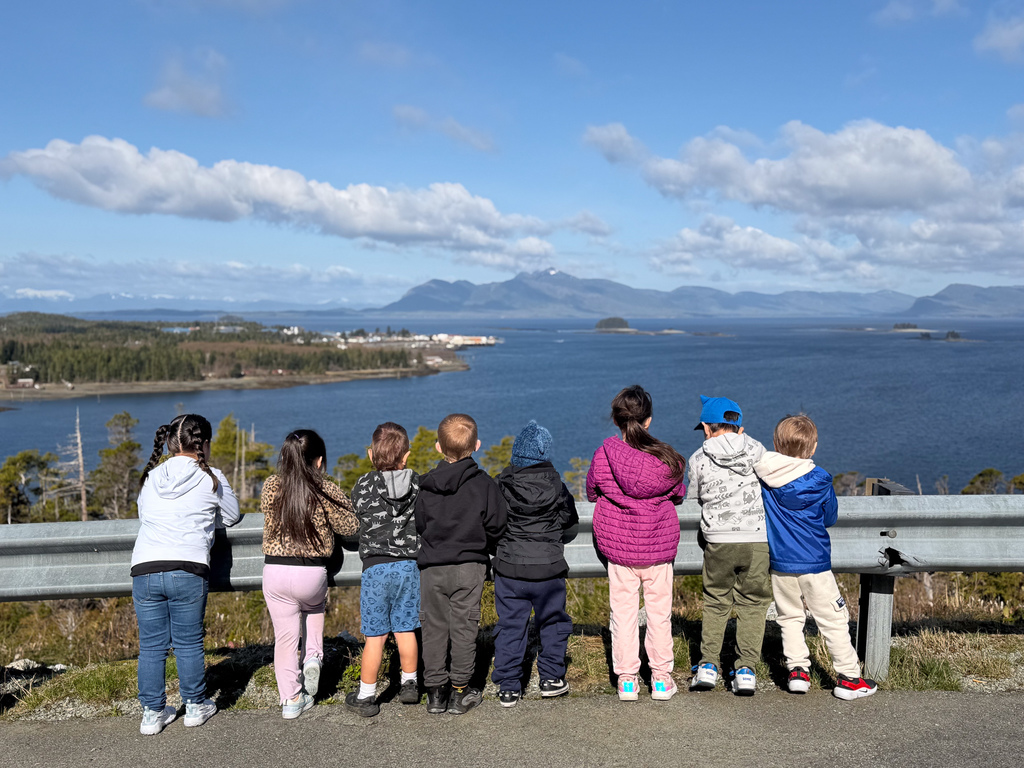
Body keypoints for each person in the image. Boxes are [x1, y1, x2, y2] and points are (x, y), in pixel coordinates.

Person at [754, 414, 878, 700]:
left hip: (781, 563)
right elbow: (830, 517)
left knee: (789, 618)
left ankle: (797, 671)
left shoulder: (764, 476)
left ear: (776, 443)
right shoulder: (820, 480)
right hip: (815, 562)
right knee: (832, 619)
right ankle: (848, 677)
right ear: (813, 448)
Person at [132, 413, 241, 736]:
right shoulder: (211, 477)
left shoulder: (152, 476)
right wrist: (206, 520)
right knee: (188, 642)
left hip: (145, 568)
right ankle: (195, 705)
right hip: (188, 567)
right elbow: (232, 517)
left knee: (151, 646)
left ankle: (152, 713)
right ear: (204, 444)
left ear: (169, 442)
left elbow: (143, 514)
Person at [586, 385, 686, 702]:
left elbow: (591, 491)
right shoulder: (667, 458)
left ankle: (627, 680)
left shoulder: (604, 453)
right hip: (658, 545)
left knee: (623, 614)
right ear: (649, 420)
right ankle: (660, 679)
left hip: (619, 548)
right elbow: (679, 493)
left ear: (616, 420)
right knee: (659, 615)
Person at [261, 429, 358, 719]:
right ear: (318, 461)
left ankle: (291, 700)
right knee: (314, 606)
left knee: (286, 638)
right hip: (310, 571)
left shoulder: (270, 486)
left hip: (275, 570)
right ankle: (314, 656)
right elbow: (351, 527)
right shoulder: (324, 488)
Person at [415, 413, 507, 715]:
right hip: (470, 566)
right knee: (465, 628)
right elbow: (497, 525)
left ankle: (435, 693)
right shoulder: (485, 485)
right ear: (477, 445)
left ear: (439, 448)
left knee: (434, 628)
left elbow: (419, 524)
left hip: (432, 568)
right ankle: (460, 690)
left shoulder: (425, 486)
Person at [491, 420, 579, 707]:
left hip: (509, 568)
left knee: (511, 625)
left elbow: (491, 522)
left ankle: (508, 685)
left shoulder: (500, 485)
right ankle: (551, 677)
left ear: (516, 454)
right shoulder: (557, 486)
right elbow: (569, 520)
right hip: (549, 567)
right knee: (552, 622)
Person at [687, 395, 770, 696]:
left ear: (708, 428)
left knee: (717, 599)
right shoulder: (758, 450)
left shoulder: (698, 459)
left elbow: (694, 499)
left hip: (719, 540)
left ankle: (708, 665)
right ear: (739, 426)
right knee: (753, 603)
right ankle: (746, 668)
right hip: (757, 539)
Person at [345, 422, 422, 717]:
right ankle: (410, 683)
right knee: (406, 629)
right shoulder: (417, 483)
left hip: (375, 568)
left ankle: (366, 696)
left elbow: (355, 517)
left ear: (370, 454)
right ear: (406, 456)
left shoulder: (364, 484)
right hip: (407, 568)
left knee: (375, 636)